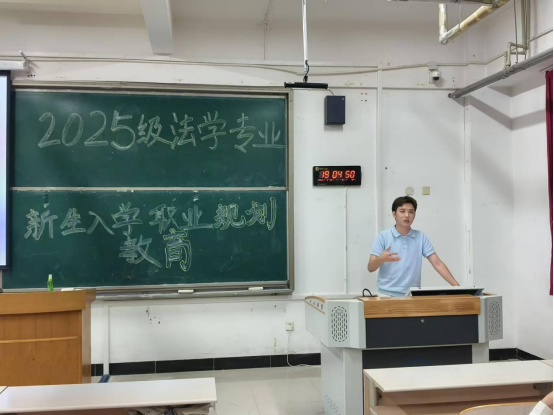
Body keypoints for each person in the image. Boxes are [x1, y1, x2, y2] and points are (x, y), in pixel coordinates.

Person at [367, 196, 460, 297]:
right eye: (402, 211)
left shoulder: (420, 236)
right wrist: (381, 259)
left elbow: (437, 264)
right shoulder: (382, 236)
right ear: (394, 214)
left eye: (411, 212)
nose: (407, 215)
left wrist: (458, 288)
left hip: (412, 294)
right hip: (386, 295)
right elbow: (370, 268)